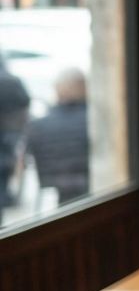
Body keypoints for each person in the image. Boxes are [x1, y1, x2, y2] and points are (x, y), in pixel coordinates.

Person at [25, 68, 89, 205]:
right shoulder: (93, 120)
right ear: (83, 88)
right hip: (89, 186)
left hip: (56, 183)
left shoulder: (38, 124)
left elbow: (26, 157)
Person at [0, 55, 29, 211]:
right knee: (6, 165)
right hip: (11, 129)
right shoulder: (13, 81)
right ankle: (5, 195)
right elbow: (25, 100)